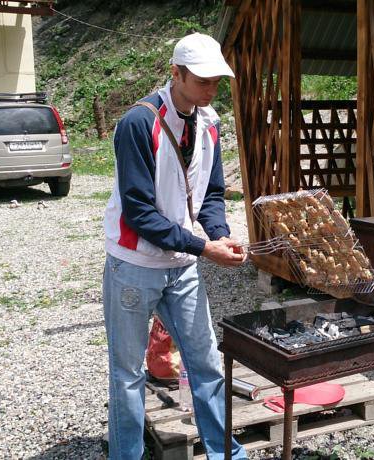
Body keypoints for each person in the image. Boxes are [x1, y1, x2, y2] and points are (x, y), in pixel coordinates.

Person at [102, 32, 248, 460]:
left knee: (204, 363)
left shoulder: (211, 122)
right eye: (202, 80)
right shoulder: (137, 123)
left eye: (216, 81)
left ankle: (225, 452)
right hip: (134, 262)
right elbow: (140, 214)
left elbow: (213, 192)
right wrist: (206, 249)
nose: (210, 89)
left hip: (182, 263)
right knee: (128, 373)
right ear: (176, 73)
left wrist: (217, 232)